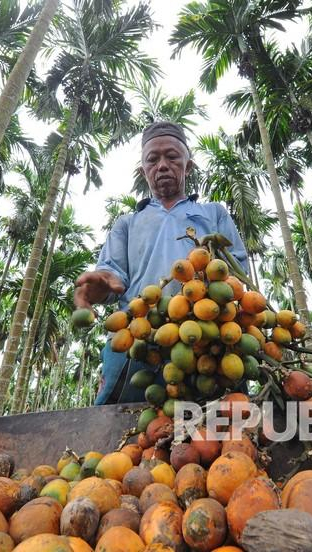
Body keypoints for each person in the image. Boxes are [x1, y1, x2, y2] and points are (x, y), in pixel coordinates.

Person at [74, 121, 249, 405]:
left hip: (209, 336)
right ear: (144, 170)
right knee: (119, 428)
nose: (163, 165)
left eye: (172, 157)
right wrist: (101, 284)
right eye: (153, 160)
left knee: (220, 430)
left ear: (188, 166)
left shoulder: (213, 214)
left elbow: (238, 273)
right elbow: (112, 276)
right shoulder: (127, 224)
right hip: (141, 338)